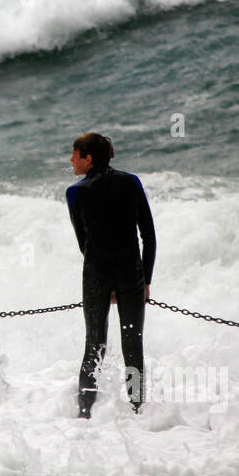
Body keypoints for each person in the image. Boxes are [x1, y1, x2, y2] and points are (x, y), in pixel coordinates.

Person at [66, 132, 156, 418]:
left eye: (75, 154)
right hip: (131, 275)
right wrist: (146, 280)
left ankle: (84, 413)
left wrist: (104, 278)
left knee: (94, 344)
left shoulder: (75, 193)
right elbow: (149, 237)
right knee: (133, 345)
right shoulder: (131, 183)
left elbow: (85, 244)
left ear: (88, 158)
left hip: (96, 277)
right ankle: (137, 410)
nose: (71, 160)